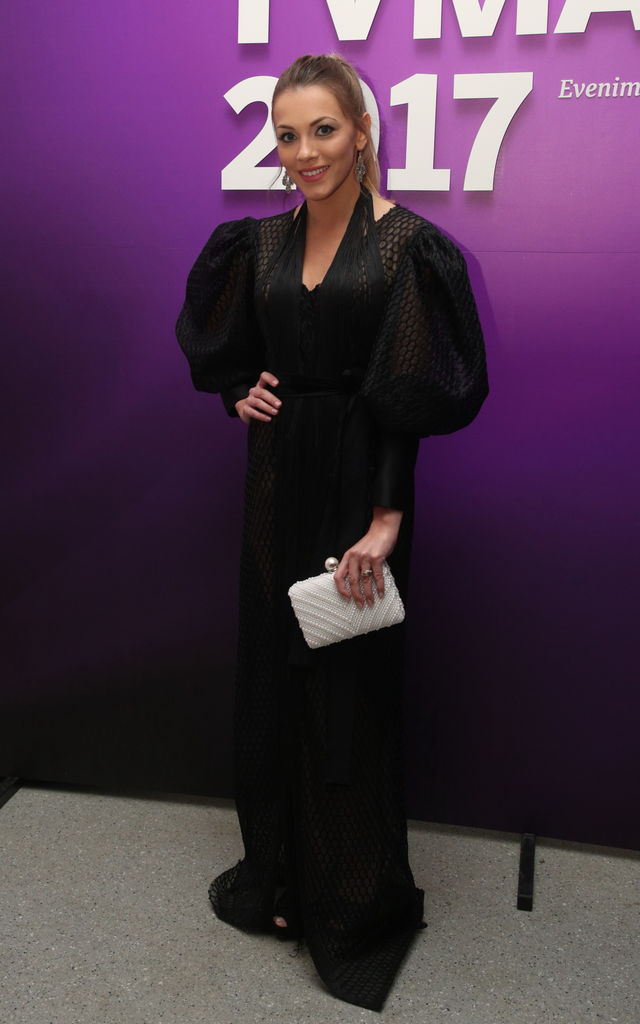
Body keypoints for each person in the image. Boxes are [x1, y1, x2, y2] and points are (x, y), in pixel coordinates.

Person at [176, 53, 488, 1012]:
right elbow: (226, 348)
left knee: (346, 687)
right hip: (275, 480)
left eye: (323, 129)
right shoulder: (257, 242)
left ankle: (349, 898)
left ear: (361, 131)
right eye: (287, 134)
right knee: (274, 675)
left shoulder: (408, 247)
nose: (304, 151)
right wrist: (238, 391)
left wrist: (386, 520)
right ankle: (277, 874)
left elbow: (408, 397)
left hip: (360, 485)